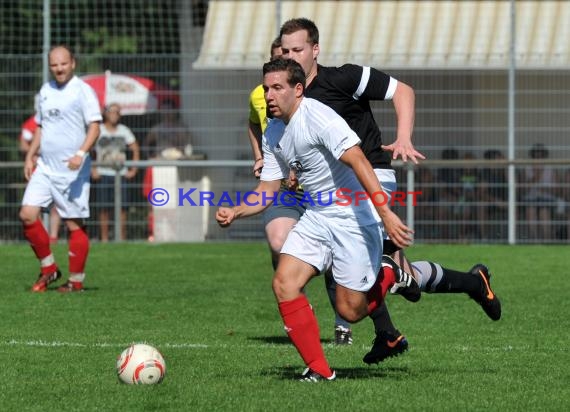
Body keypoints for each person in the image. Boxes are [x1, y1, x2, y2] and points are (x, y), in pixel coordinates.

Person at [278, 17, 501, 364]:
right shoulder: (294, 99)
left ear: (315, 50)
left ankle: (388, 328)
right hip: (337, 191)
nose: (291, 55)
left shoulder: (343, 78)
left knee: (362, 265)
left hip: (373, 177)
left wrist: (405, 136)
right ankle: (470, 286)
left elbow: (403, 90)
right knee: (401, 274)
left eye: (298, 49)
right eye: (286, 49)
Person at [217, 58, 418, 381]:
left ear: (298, 90)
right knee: (284, 283)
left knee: (350, 311)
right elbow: (268, 188)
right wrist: (236, 211)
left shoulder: (318, 116)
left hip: (352, 218)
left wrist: (385, 213)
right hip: (317, 216)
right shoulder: (274, 132)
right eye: (266, 88)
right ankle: (320, 370)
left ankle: (390, 272)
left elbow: (359, 161)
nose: (268, 95)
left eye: (277, 87)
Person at [248, 38, 354, 344]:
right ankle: (295, 302)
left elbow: (325, 140)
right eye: (280, 55)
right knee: (279, 241)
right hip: (285, 188)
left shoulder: (316, 98)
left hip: (323, 192)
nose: (270, 93)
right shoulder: (259, 96)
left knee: (339, 264)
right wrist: (262, 156)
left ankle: (341, 322)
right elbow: (256, 125)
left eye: (292, 53)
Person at [19, 44, 102, 293]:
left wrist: (80, 153)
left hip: (72, 171)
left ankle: (75, 282)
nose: (59, 68)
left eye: (63, 63)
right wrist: (31, 156)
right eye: (54, 64)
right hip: (45, 167)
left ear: (73, 63)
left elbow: (95, 127)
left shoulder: (83, 91)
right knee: (27, 214)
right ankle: (49, 269)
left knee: (73, 225)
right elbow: (41, 128)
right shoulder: (45, 90)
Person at [91, 103, 140, 242]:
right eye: (112, 112)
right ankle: (105, 239)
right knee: (103, 208)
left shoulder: (124, 131)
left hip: (121, 174)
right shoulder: (98, 130)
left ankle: (121, 239)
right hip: (103, 174)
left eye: (117, 112)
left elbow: (135, 148)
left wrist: (134, 169)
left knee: (122, 208)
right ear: (105, 114)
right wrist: (93, 168)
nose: (114, 115)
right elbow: (88, 149)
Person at [20, 115, 62, 244]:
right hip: (37, 169)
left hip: (57, 168)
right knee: (33, 207)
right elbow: (23, 145)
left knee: (57, 204)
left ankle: (53, 237)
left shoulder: (61, 118)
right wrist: (34, 153)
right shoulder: (31, 123)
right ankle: (41, 237)